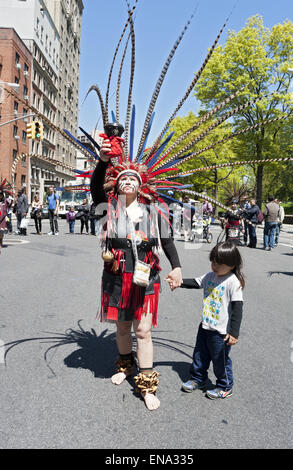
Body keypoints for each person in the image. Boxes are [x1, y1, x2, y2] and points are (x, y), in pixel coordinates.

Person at [90, 138, 182, 411]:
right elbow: (95, 185)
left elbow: (167, 242)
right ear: (117, 184)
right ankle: (125, 365)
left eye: (132, 179)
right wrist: (104, 161)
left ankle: (147, 386)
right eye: (123, 179)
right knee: (121, 327)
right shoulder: (107, 208)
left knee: (142, 331)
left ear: (140, 186)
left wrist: (176, 267)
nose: (127, 182)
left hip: (145, 276)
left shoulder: (153, 212)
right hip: (116, 275)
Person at [166, 241, 244, 399]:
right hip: (206, 325)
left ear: (231, 265)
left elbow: (237, 309)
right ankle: (198, 378)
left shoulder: (233, 282)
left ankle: (225, 386)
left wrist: (234, 333)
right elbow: (196, 282)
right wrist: (179, 283)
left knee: (219, 360)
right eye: (213, 261)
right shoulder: (211, 276)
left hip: (221, 332)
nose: (214, 266)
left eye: (219, 263)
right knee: (200, 354)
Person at [0, 188, 12, 253]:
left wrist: (7, 194)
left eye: (1, 195)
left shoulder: (5, 201)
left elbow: (10, 204)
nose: (0, 196)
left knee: (1, 232)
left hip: (3, 218)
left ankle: (1, 242)